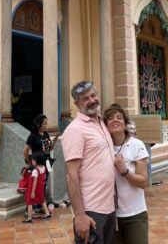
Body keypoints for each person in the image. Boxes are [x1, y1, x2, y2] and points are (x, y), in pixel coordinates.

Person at [62, 81, 116, 244]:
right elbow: (71, 174)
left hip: (109, 207)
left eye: (93, 95)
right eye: (85, 98)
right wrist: (79, 215)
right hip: (90, 210)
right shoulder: (75, 129)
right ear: (76, 103)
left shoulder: (102, 123)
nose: (92, 100)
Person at [104, 104, 149, 244]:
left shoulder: (136, 145)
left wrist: (124, 171)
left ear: (125, 124)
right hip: (110, 215)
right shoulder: (103, 147)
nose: (115, 120)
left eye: (119, 117)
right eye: (110, 118)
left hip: (135, 214)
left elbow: (143, 182)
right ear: (106, 125)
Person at [23, 151, 51, 223]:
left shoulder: (35, 170)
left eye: (33, 160)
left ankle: (29, 218)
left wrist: (32, 192)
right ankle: (47, 214)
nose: (32, 161)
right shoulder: (44, 168)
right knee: (42, 201)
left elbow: (34, 182)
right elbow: (44, 178)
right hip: (40, 189)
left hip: (34, 189)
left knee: (30, 202)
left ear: (37, 161)